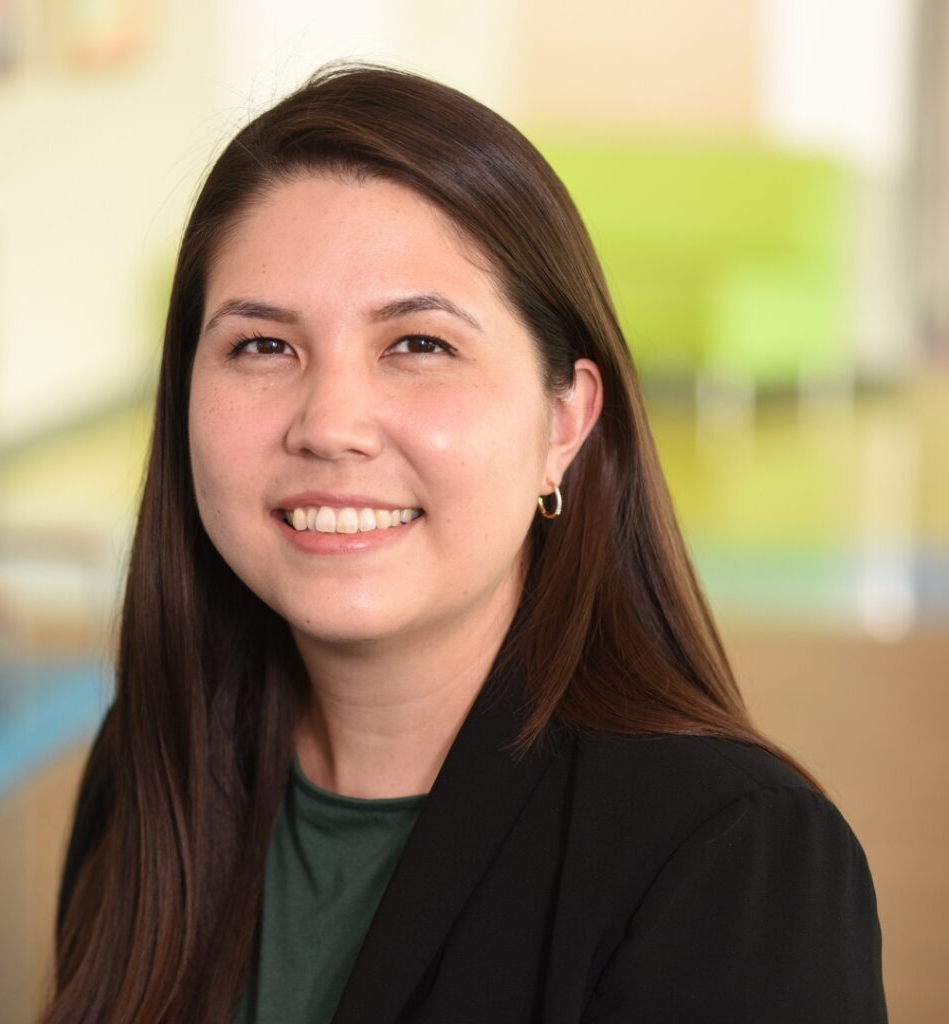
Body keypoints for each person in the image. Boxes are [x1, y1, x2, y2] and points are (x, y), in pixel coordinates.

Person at [44, 65, 887, 1023]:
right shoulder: (151, 765)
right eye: (263, 346)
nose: (331, 425)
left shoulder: (731, 857)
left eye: (419, 345)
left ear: (564, 422)